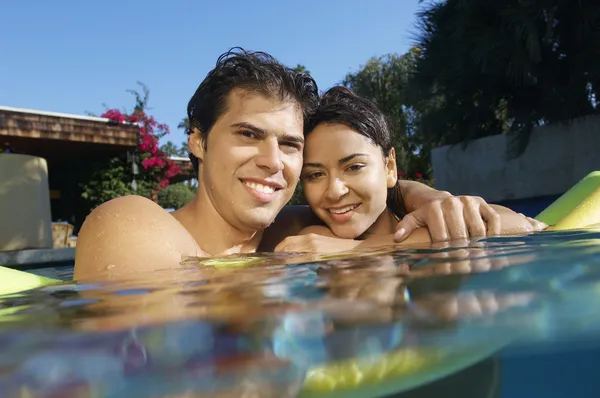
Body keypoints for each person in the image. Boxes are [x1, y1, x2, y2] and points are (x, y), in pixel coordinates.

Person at [73, 48, 536, 281]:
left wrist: (422, 196)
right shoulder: (131, 221)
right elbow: (174, 356)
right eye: (248, 135)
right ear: (198, 140)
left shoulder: (291, 230)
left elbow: (522, 229)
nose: (273, 162)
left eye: (291, 145)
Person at [274, 87, 546, 253]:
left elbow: (525, 225)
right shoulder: (315, 237)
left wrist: (361, 249)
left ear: (389, 166)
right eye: (315, 174)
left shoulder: (422, 213)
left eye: (354, 167)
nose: (334, 191)